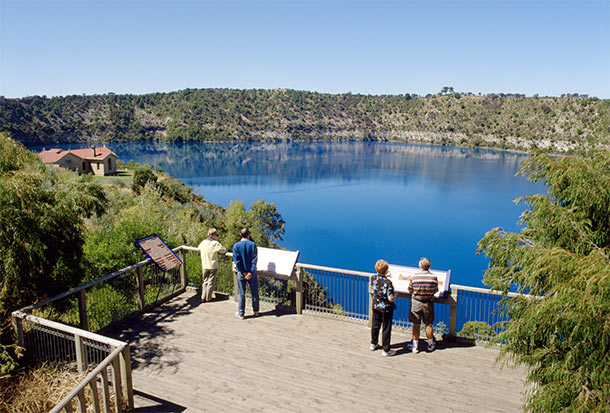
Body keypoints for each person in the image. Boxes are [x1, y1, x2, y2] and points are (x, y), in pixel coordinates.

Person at [408, 257, 439, 353]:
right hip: (428, 304)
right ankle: (430, 344)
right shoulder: (434, 277)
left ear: (420, 266)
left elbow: (410, 289)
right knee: (428, 324)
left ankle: (415, 346)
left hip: (416, 303)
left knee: (416, 324)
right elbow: (435, 290)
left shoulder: (413, 277)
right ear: (429, 266)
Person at [370, 259, 397, 357]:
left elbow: (373, 291)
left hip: (376, 306)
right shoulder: (388, 282)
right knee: (386, 328)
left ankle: (373, 343)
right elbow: (390, 298)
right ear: (386, 270)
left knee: (375, 325)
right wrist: (395, 295)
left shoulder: (373, 278)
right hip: (386, 309)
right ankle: (386, 350)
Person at [232, 227, 259, 319]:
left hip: (241, 273)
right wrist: (250, 272)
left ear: (240, 235)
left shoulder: (236, 246)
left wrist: (243, 272)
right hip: (252, 273)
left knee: (241, 293)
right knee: (254, 292)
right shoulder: (253, 245)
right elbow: (254, 260)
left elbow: (237, 261)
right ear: (249, 235)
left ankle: (241, 313)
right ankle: (256, 311)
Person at [198, 228, 227, 302]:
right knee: (211, 282)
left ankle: (203, 297)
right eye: (216, 235)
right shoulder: (215, 243)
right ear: (213, 235)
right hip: (213, 265)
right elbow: (222, 250)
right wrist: (224, 250)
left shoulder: (203, 242)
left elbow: (199, 248)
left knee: (205, 282)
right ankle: (208, 298)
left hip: (204, 264)